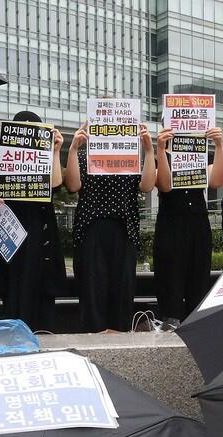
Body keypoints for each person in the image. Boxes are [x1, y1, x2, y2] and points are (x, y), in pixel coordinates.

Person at [66, 112, 157, 331]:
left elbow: (146, 186)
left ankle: (119, 338)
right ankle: (93, 339)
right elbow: (72, 186)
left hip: (123, 228)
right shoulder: (83, 155)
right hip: (90, 229)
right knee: (91, 292)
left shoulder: (130, 155)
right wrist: (73, 148)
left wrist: (148, 149)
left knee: (122, 291)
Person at [0, 111, 67, 332]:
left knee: (43, 301)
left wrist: (56, 151)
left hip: (41, 238)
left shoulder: (46, 163)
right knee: (13, 295)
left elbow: (56, 186)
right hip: (11, 239)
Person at [153, 120, 223, 324]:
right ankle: (169, 323)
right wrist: (160, 148)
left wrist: (219, 145)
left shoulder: (203, 154)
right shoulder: (160, 154)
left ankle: (196, 326)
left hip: (198, 221)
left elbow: (216, 181)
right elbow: (165, 186)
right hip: (170, 222)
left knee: (199, 277)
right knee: (169, 279)